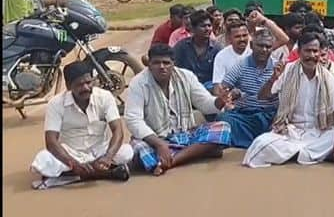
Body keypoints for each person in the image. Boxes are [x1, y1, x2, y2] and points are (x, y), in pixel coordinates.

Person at [242, 32, 334, 167]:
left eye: (315, 51)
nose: (311, 56)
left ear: (320, 53)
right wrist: (273, 79)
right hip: (289, 131)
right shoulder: (287, 70)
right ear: (299, 52)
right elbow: (262, 97)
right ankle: (308, 154)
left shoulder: (327, 77)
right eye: (307, 51)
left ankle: (296, 154)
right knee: (260, 143)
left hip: (319, 131)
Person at [124, 44, 233, 176]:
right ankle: (195, 152)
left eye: (166, 63)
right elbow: (133, 120)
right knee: (138, 149)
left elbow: (205, 104)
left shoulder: (186, 76)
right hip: (154, 138)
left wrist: (219, 101)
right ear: (149, 65)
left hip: (184, 134)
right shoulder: (138, 83)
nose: (162, 67)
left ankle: (171, 161)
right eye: (156, 63)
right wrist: (159, 144)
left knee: (223, 128)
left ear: (173, 64)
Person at [30, 61, 134, 190]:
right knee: (43, 161)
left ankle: (73, 177)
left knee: (127, 151)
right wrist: (74, 164)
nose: (86, 88)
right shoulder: (56, 104)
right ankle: (106, 174)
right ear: (68, 86)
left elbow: (118, 130)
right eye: (79, 84)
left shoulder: (105, 97)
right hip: (71, 154)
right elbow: (51, 141)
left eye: (89, 82)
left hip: (100, 153)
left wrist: (108, 157)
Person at [217, 29, 280, 148]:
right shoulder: (241, 65)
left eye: (268, 47)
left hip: (269, 115)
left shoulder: (278, 67)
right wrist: (229, 95)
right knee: (224, 118)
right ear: (251, 45)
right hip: (245, 115)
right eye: (260, 46)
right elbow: (223, 87)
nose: (264, 50)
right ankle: (257, 142)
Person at [174, 10, 222, 90]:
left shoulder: (217, 48)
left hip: (210, 89)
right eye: (203, 26)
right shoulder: (181, 46)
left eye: (209, 26)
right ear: (193, 28)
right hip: (186, 87)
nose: (207, 29)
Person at [212, 22, 251, 94]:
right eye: (237, 36)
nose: (242, 39)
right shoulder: (221, 56)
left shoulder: (255, 53)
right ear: (230, 38)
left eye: (245, 35)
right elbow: (217, 86)